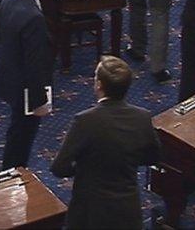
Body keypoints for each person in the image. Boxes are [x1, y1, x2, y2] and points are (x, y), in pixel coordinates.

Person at [51, 56, 160, 230]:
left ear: (99, 85)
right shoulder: (142, 117)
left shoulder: (85, 120)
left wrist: (82, 169)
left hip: (89, 209)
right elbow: (154, 156)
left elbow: (58, 167)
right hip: (126, 207)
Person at [0, 0, 54, 170]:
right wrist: (39, 101)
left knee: (16, 131)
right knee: (22, 135)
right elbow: (35, 63)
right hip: (26, 89)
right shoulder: (34, 18)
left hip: (10, 74)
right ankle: (13, 172)